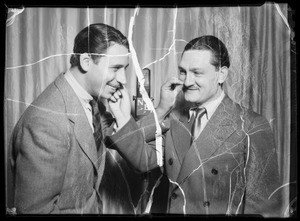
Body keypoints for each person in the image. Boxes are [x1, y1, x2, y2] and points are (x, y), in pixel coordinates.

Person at [105, 35, 284, 217]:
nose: (187, 82)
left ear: (221, 74)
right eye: (183, 72)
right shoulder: (175, 118)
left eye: (197, 73)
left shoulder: (251, 125)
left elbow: (264, 208)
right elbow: (142, 160)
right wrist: (132, 114)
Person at [9, 23, 158, 214]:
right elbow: (36, 211)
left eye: (125, 68)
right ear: (86, 61)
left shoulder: (86, 97)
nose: (123, 79)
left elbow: (114, 137)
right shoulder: (46, 122)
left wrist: (123, 116)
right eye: (115, 68)